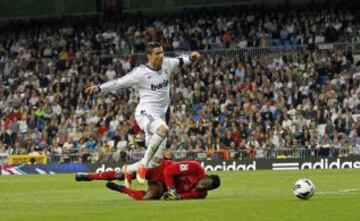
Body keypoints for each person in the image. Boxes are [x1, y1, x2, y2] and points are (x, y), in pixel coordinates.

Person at [85, 42, 201, 187]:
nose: (161, 56)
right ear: (149, 56)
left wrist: (192, 57)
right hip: (146, 112)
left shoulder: (167, 64)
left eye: (162, 52)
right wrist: (99, 88)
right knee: (163, 130)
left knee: (157, 160)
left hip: (162, 115)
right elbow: (118, 83)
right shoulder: (140, 73)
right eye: (157, 53)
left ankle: (129, 169)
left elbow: (182, 60)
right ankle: (142, 166)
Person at [75, 160, 221, 200]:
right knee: (122, 174)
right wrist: (171, 189)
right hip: (157, 168)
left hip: (161, 184)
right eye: (204, 183)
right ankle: (88, 176)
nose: (202, 186)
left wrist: (175, 196)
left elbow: (183, 196)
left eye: (206, 188)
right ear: (205, 176)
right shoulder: (195, 167)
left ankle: (121, 189)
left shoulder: (201, 193)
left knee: (149, 197)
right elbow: (168, 171)